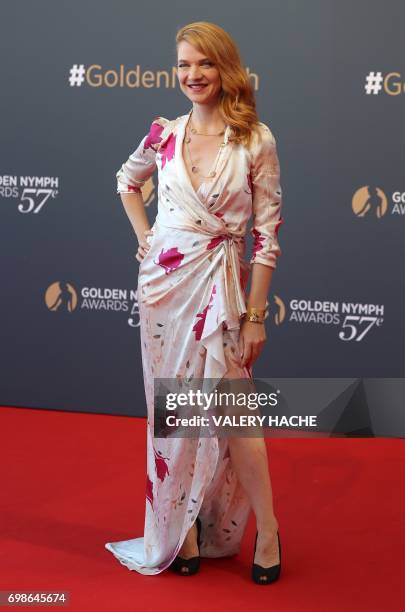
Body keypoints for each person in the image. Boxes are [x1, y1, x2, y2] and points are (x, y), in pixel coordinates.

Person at [105, 21, 284, 585]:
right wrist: (144, 237)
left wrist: (256, 316)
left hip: (224, 292)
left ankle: (270, 531)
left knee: (235, 417)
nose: (192, 75)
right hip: (164, 287)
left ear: (225, 69)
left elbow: (267, 237)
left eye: (203, 64)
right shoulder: (163, 132)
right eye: (183, 64)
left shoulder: (256, 139)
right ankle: (180, 531)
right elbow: (125, 181)